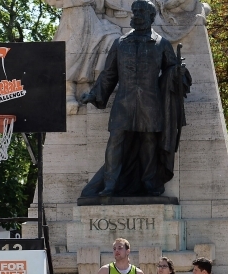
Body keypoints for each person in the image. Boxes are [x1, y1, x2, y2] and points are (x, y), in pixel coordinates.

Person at [79, 0, 186, 197]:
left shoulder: (161, 44)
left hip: (150, 102)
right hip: (124, 103)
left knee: (149, 142)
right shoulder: (120, 43)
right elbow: (109, 73)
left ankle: (149, 183)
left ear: (151, 17)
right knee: (115, 141)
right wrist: (94, 94)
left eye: (141, 12)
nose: (136, 15)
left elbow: (172, 70)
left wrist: (178, 72)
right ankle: (110, 185)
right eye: (134, 11)